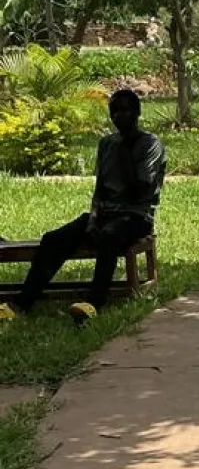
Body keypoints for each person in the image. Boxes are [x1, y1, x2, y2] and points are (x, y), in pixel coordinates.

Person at [0, 89, 165, 325]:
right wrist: (93, 219)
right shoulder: (106, 144)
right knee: (53, 239)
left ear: (137, 113)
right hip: (105, 214)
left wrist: (127, 146)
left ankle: (93, 302)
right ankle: (21, 303)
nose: (119, 117)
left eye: (125, 111)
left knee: (110, 236)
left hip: (136, 217)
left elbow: (139, 187)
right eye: (114, 112)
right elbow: (100, 188)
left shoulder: (150, 144)